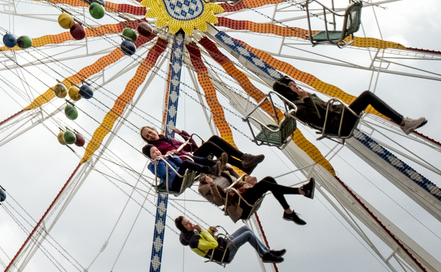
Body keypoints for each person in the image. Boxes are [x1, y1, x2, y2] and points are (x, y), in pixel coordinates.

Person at [270, 76, 426, 136]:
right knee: (367, 96)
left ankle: (403, 122)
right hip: (338, 124)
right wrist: (307, 98)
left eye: (295, 83)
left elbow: (323, 107)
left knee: (367, 96)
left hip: (340, 116)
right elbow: (316, 118)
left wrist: (310, 96)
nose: (296, 86)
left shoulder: (303, 98)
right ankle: (403, 123)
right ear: (287, 91)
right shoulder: (294, 108)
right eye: (291, 85)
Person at [139, 126, 264, 178]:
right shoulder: (155, 149)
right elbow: (162, 159)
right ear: (147, 140)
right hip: (186, 161)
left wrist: (182, 134)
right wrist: (171, 154)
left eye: (150, 132)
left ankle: (244, 159)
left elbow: (192, 146)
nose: (150, 135)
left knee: (214, 139)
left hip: (192, 154)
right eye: (147, 136)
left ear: (154, 130)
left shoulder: (170, 139)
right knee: (210, 145)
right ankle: (243, 164)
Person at [196, 171, 315, 225]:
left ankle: (289, 211)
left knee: (269, 180)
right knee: (267, 184)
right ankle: (302, 191)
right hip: (238, 204)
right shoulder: (203, 188)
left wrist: (247, 181)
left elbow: (238, 180)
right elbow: (218, 202)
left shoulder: (220, 171)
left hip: (243, 193)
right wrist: (212, 185)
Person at [174, 216, 285, 266]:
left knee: (245, 228)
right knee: (248, 235)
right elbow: (213, 244)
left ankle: (267, 251)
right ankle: (265, 255)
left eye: (188, 221)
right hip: (225, 253)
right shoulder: (194, 242)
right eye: (187, 224)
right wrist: (202, 230)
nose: (190, 224)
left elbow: (210, 240)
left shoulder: (193, 233)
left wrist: (210, 231)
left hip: (223, 245)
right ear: (183, 228)